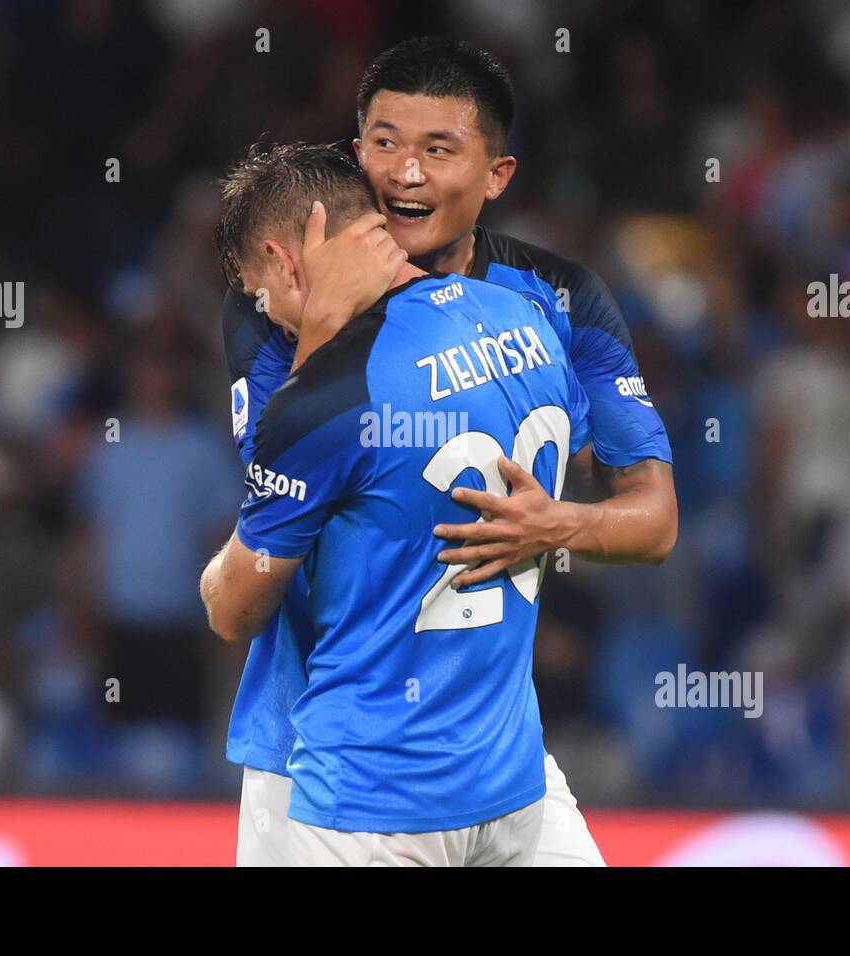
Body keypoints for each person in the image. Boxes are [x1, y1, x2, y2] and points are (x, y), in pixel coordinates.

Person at [220, 38, 677, 866]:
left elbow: (654, 520)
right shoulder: (271, 306)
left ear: (497, 173)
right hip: (322, 753)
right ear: (356, 152)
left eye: (439, 149)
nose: (406, 174)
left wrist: (556, 525)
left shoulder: (557, 300)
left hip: (495, 755)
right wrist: (323, 330)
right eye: (386, 144)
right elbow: (282, 498)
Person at [202, 142, 589, 865]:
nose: (268, 318)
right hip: (504, 753)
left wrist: (316, 343)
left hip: (347, 766)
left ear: (286, 262)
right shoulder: (529, 315)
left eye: (263, 292)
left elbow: (235, 605)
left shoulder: (320, 393)